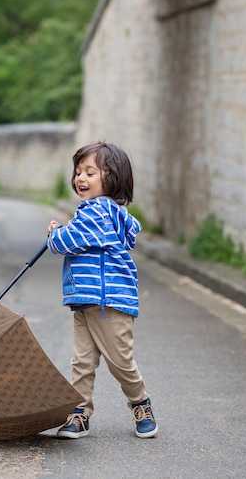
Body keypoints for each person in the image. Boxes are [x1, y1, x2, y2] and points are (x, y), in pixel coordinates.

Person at [47, 141, 158, 439]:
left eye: (90, 173)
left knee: (120, 362)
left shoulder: (98, 211)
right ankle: (79, 413)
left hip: (109, 303)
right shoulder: (94, 212)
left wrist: (54, 234)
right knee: (81, 361)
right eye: (78, 172)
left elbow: (67, 242)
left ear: (112, 178)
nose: (80, 178)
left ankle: (141, 404)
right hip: (85, 300)